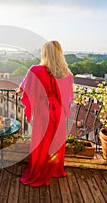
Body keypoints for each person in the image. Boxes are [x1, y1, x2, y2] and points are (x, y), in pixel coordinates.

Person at [16, 40, 74, 187]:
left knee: (41, 143)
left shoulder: (36, 70)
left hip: (44, 111)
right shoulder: (66, 73)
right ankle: (54, 169)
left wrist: (20, 89)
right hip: (58, 112)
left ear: (45, 53)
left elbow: (25, 88)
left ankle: (39, 171)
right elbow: (67, 96)